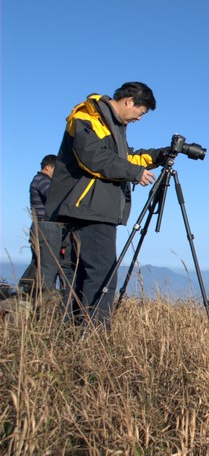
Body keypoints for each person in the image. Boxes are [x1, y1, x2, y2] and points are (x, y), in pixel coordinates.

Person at [45, 82, 167, 327]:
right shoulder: (89, 115)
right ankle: (95, 334)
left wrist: (158, 156)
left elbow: (122, 157)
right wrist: (133, 172)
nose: (139, 118)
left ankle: (75, 329)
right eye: (141, 112)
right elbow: (93, 157)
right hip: (90, 208)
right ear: (129, 101)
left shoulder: (113, 125)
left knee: (84, 273)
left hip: (93, 207)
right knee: (102, 275)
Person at [18, 154, 66, 299]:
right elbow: (53, 196)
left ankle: (29, 293)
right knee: (48, 267)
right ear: (47, 167)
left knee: (41, 264)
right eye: (56, 170)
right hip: (46, 226)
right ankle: (41, 298)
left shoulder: (38, 180)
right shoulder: (42, 180)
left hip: (41, 226)